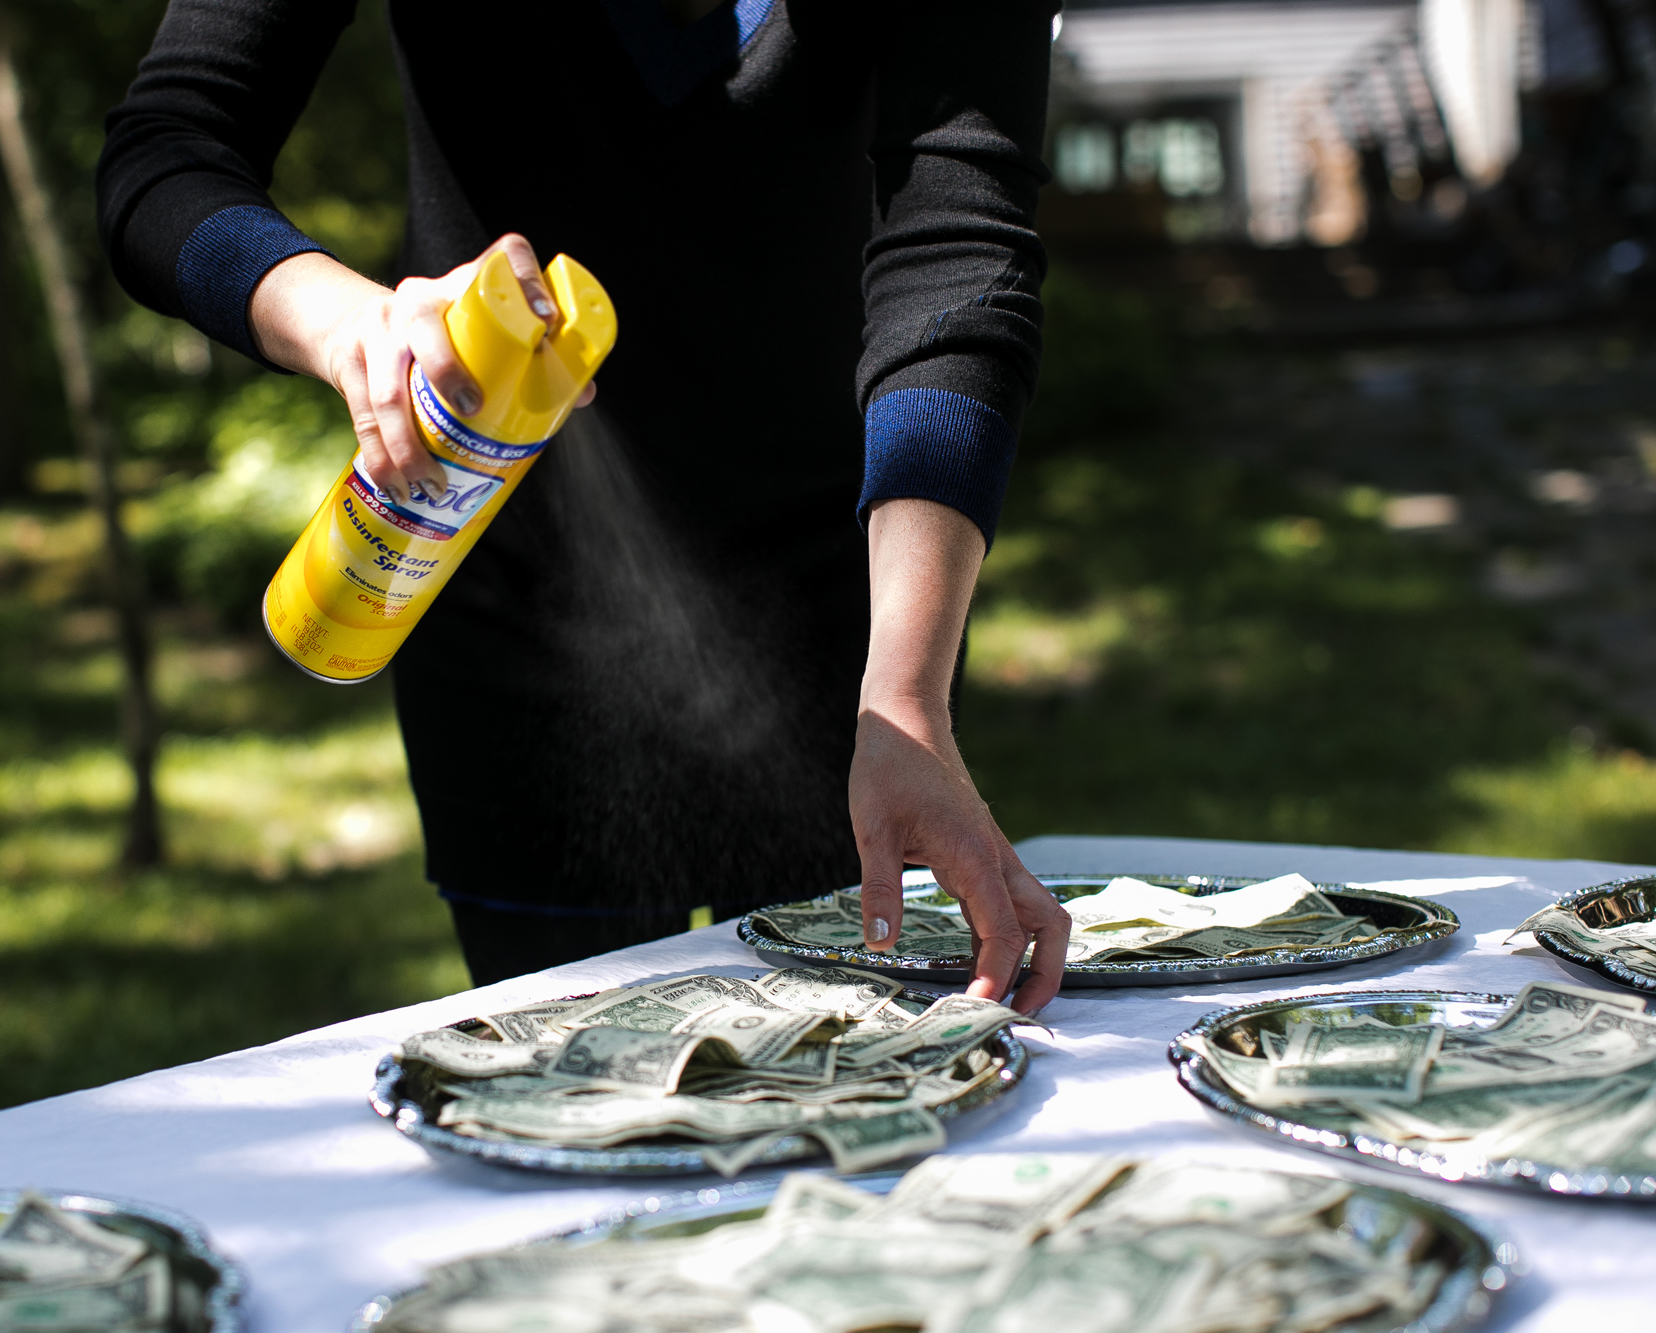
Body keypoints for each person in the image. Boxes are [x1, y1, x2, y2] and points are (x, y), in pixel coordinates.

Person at [98, 0, 1072, 1009]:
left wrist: (905, 697)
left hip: (856, 639)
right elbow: (165, 154)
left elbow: (955, 252)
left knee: (851, 1105)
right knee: (573, 1114)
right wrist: (359, 330)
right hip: (509, 611)